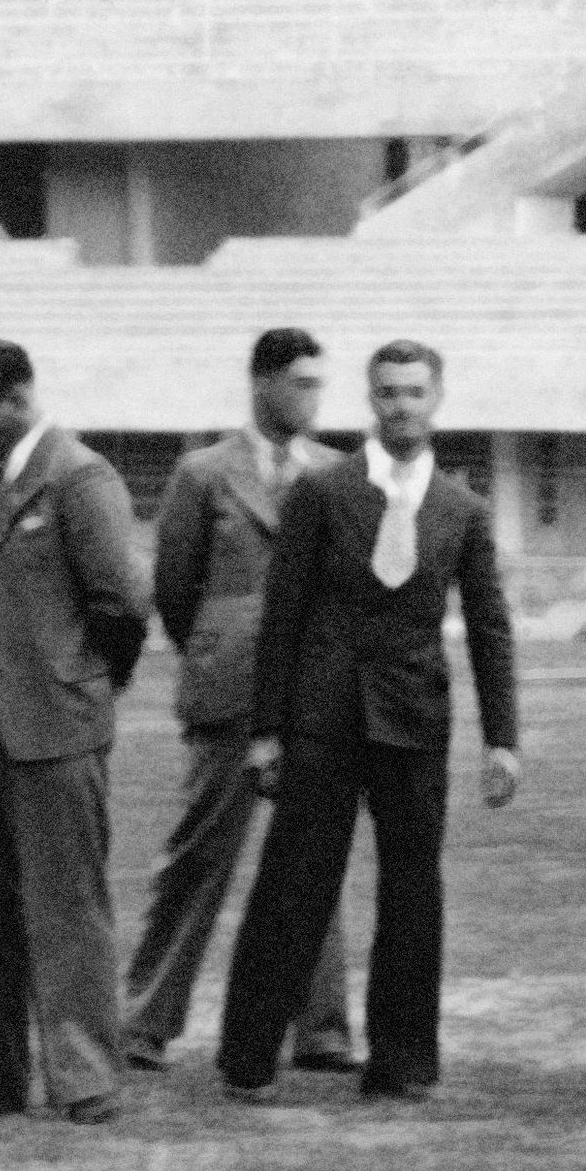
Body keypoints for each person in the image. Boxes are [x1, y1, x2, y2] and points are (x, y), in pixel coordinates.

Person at [217, 340, 519, 1100]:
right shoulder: (324, 493)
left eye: (415, 391)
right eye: (387, 392)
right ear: (370, 398)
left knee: (414, 890)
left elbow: (488, 626)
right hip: (325, 716)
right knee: (295, 881)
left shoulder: (462, 507)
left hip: (415, 720)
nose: (401, 406)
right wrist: (266, 730)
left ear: (437, 396)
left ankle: (403, 1063)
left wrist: (502, 739)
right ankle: (248, 1059)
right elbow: (281, 616)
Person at [117, 326, 359, 1077]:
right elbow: (174, 589)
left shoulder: (339, 473)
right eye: (299, 383)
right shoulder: (203, 472)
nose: (312, 398)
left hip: (315, 695)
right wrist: (225, 646)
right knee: (199, 854)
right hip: (227, 692)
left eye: (320, 384)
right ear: (261, 383)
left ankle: (320, 1029)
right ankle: (144, 1021)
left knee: (314, 858)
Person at [0, 338, 147, 1123]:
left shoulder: (81, 478)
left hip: (57, 723)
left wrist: (80, 684)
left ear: (21, 396)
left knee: (66, 903)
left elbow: (122, 604)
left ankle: (87, 1079)